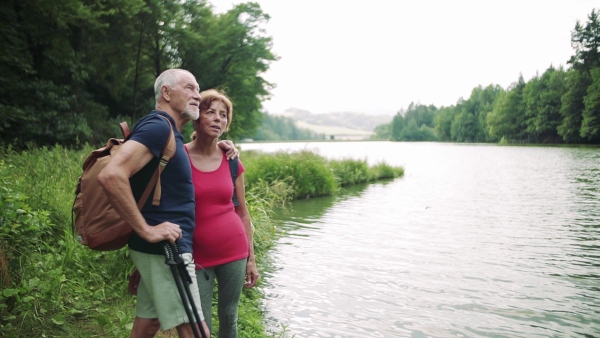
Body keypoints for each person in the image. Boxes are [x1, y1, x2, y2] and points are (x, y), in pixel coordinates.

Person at [98, 69, 237, 338]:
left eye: (198, 89)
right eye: (189, 88)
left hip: (161, 249)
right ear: (166, 93)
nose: (197, 95)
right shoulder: (159, 126)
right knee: (195, 330)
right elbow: (111, 174)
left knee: (148, 324)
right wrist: (147, 230)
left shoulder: (170, 131)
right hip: (166, 248)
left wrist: (224, 145)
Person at [185, 89, 259, 338]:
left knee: (229, 316)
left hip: (233, 250)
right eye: (210, 112)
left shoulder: (231, 160)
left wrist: (251, 258)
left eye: (223, 115)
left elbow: (243, 211)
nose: (218, 118)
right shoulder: (179, 157)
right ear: (196, 118)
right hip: (196, 255)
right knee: (200, 323)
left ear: (227, 124)